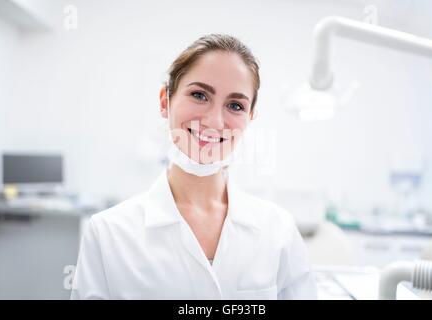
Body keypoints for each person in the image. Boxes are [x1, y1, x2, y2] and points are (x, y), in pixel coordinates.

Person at [71, 34, 317, 299]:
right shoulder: (108, 233)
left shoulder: (278, 230)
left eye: (235, 105)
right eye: (199, 95)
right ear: (165, 101)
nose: (213, 121)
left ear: (250, 117)